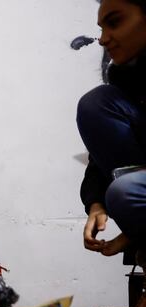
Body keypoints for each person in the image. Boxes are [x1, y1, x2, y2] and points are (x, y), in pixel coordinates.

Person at [76, 0, 146, 259]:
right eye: (101, 28)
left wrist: (131, 234)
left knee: (126, 190)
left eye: (115, 22)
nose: (103, 39)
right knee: (96, 103)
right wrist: (96, 204)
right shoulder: (127, 84)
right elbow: (100, 160)